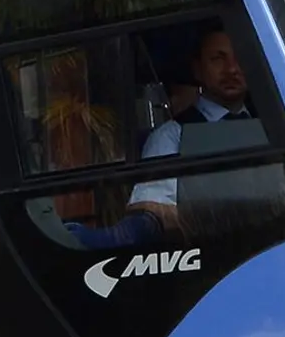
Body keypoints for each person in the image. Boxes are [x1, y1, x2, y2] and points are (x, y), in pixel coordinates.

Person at [70, 23, 258, 249]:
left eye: (239, 58)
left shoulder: (275, 126)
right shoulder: (171, 136)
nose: (231, 69)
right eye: (218, 59)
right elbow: (150, 212)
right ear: (197, 69)